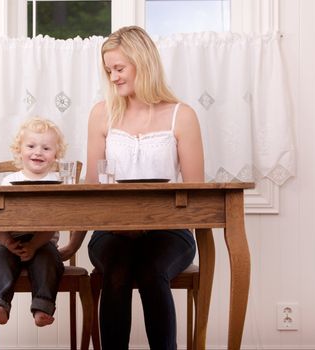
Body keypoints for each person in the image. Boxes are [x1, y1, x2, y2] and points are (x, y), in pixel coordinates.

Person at [59, 26, 204, 349]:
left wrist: (151, 223)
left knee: (152, 270)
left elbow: (197, 196)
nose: (113, 77)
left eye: (119, 69)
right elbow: (91, 189)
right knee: (118, 270)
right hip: (111, 232)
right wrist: (72, 245)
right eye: (109, 70)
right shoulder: (102, 115)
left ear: (144, 63)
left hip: (170, 232)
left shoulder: (182, 116)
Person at [0, 117, 67, 327]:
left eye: (46, 148)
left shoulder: (57, 182)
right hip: (11, 242)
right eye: (31, 146)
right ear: (19, 150)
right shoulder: (8, 182)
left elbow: (53, 224)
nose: (38, 152)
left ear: (56, 154)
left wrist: (33, 245)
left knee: (49, 261)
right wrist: (5, 241)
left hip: (43, 242)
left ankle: (42, 307)